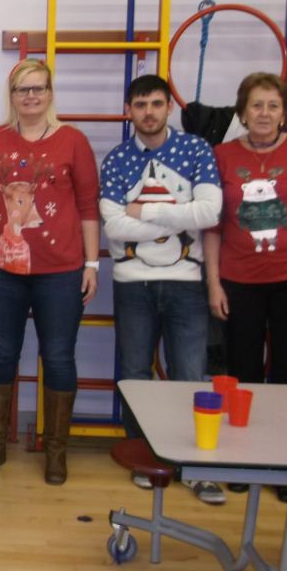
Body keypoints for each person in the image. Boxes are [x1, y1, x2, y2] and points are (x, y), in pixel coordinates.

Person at [204, 73, 287, 503]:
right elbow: (213, 227)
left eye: (273, 106)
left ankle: (286, 465)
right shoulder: (221, 155)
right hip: (239, 280)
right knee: (241, 374)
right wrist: (213, 284)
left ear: (284, 113)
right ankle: (244, 460)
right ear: (242, 112)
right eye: (256, 105)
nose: (264, 114)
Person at [0, 59, 100, 485]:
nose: (31, 96)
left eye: (38, 88)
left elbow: (87, 207)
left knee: (58, 356)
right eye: (23, 89)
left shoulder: (74, 142)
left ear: (50, 93)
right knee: (0, 354)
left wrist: (93, 263)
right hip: (0, 269)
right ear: (12, 96)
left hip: (61, 271)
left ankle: (56, 452)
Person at [100, 75, 226, 505]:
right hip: (131, 284)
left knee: (190, 374)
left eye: (156, 103)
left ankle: (196, 467)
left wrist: (147, 209)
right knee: (135, 374)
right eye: (140, 104)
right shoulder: (117, 160)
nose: (149, 112)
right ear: (128, 110)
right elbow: (113, 225)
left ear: (169, 107)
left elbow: (209, 212)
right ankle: (146, 456)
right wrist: (178, 214)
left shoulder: (195, 150)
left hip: (187, 283)